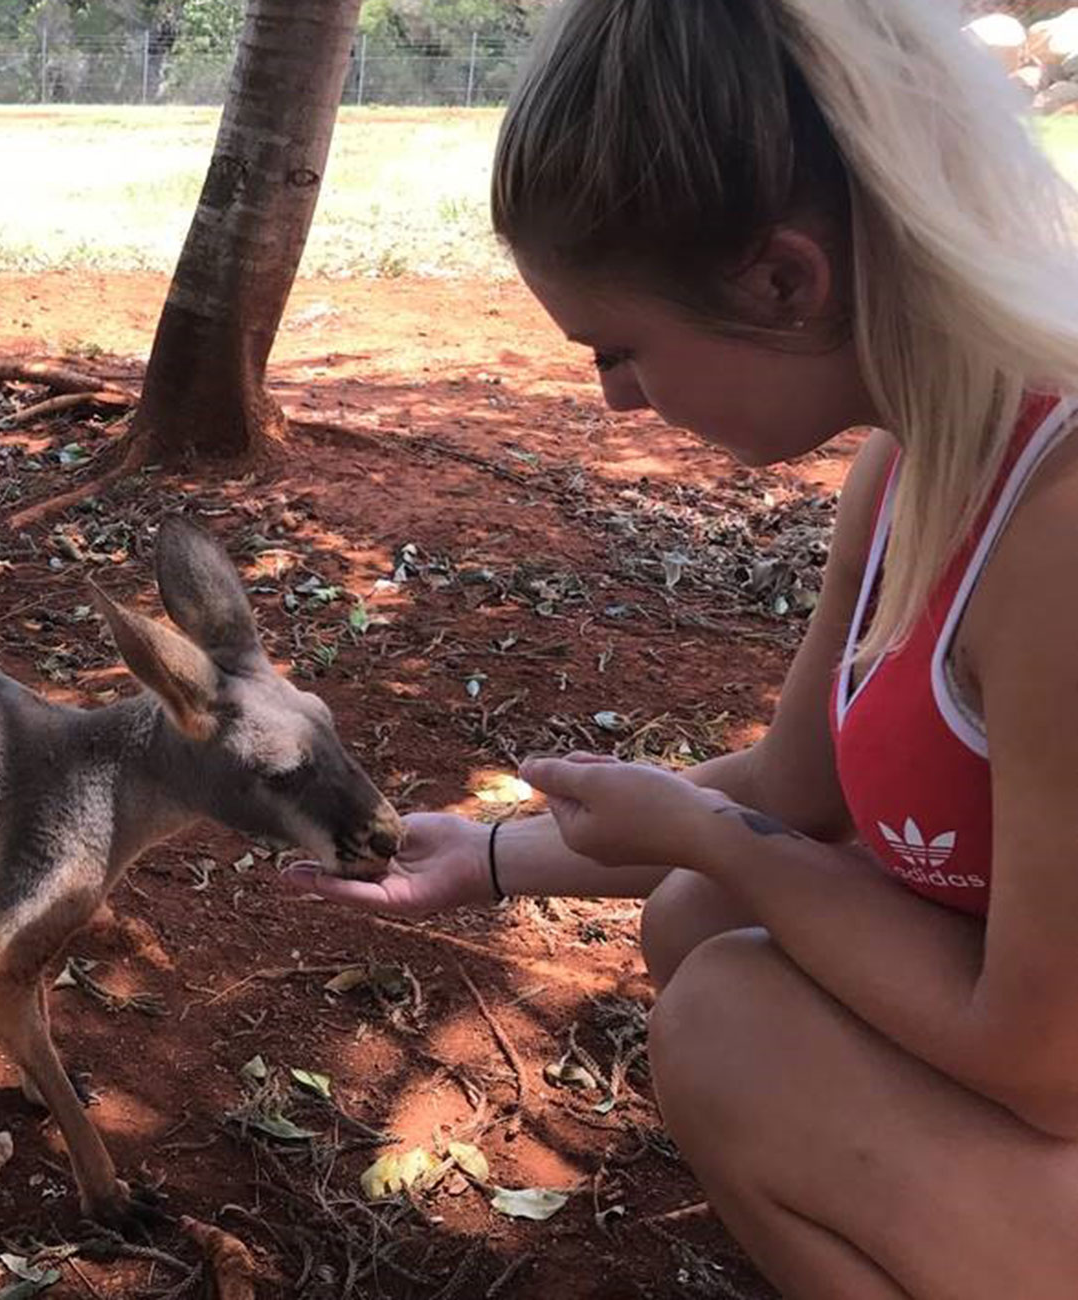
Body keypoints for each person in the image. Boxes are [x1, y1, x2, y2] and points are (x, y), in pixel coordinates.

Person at [279, 2, 1078, 1296]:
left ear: (781, 279)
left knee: (732, 1025)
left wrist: (713, 841)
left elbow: (1044, 1059)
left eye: (622, 349)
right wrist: (483, 859)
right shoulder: (916, 462)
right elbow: (795, 795)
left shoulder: (1058, 533)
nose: (614, 399)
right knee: (706, 920)